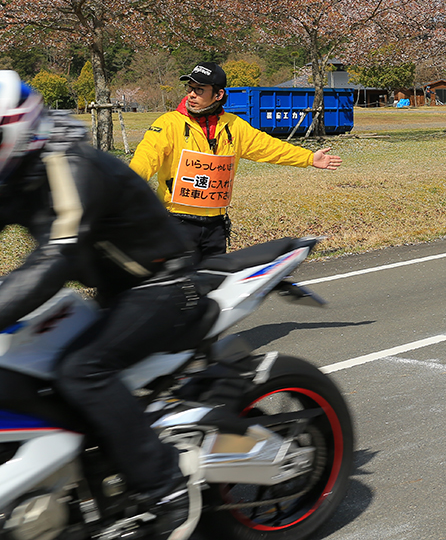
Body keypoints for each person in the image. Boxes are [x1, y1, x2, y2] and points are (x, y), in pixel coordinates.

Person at [0, 70, 202, 540]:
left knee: (81, 370)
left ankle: (167, 489)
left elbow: (56, 258)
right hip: (114, 290)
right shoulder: (16, 171)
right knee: (23, 363)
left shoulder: (69, 165)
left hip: (163, 284)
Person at [131, 63, 342, 259]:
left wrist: (308, 158)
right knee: (178, 283)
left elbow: (269, 148)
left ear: (218, 94)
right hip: (176, 222)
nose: (191, 95)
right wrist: (123, 190)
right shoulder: (168, 123)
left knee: (215, 282)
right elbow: (146, 158)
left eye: (200, 90)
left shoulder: (234, 126)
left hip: (216, 226)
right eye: (190, 89)